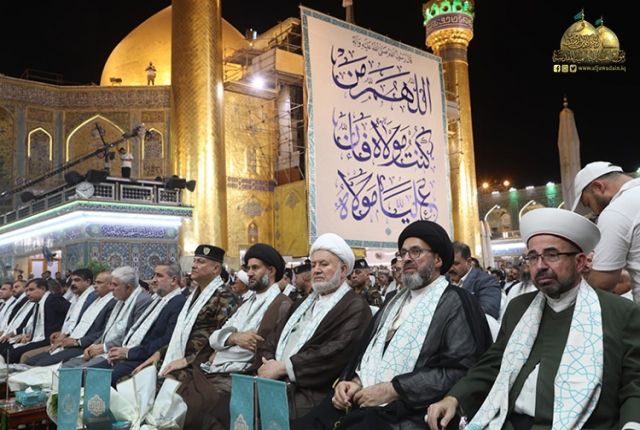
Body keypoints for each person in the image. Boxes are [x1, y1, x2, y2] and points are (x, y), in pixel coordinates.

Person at [427, 207, 640, 430]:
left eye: (552, 255)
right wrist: (454, 398)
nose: (540, 266)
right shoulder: (519, 308)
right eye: (533, 257)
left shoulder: (620, 313)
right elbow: (494, 364)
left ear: (579, 262)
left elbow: (635, 383)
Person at [294, 221, 492, 430]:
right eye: (403, 253)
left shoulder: (456, 301)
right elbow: (370, 354)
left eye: (416, 251)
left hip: (411, 409)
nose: (406, 258)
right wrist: (353, 382)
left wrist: (393, 390)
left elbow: (460, 371)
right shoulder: (393, 302)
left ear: (438, 260)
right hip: (365, 397)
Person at [230, 233, 373, 423]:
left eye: (324, 264)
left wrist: (285, 368)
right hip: (274, 379)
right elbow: (271, 338)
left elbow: (335, 352)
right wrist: (269, 363)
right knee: (230, 405)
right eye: (313, 265)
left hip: (311, 389)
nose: (317, 270)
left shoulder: (355, 306)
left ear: (343, 270)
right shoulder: (300, 304)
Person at [179, 243, 292, 428]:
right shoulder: (246, 303)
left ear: (271, 271)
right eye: (248, 268)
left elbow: (253, 349)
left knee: (198, 407)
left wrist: (222, 349)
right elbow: (214, 338)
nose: (249, 273)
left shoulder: (281, 305)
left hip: (241, 375)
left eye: (255, 268)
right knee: (177, 392)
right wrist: (234, 338)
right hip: (217, 371)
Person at [133, 244, 240, 383]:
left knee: (155, 386)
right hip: (177, 359)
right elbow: (180, 335)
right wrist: (159, 354)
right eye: (194, 261)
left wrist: (188, 360)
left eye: (200, 262)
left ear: (215, 268)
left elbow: (223, 341)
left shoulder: (226, 298)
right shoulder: (193, 297)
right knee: (132, 380)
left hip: (198, 365)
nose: (193, 265)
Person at [105, 261, 186, 386]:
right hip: (133, 353)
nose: (153, 280)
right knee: (88, 372)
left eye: (159, 276)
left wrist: (129, 353)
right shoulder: (158, 300)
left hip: (146, 358)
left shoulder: (178, 303)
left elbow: (166, 340)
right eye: (154, 275)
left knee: (102, 379)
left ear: (174, 280)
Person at [571, 161, 640, 303]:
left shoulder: (616, 210)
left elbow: (602, 283)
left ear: (599, 187)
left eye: (589, 204)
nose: (595, 213)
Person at [62, 266, 152, 369]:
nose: (111, 288)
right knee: (63, 368)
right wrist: (93, 346)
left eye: (114, 285)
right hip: (102, 348)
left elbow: (132, 337)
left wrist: (104, 347)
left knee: (73, 373)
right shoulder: (120, 299)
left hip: (116, 354)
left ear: (128, 288)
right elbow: (107, 331)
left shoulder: (142, 301)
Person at [25, 271, 115, 366]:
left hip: (85, 345)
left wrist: (76, 341)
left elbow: (103, 332)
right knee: (31, 361)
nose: (95, 286)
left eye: (99, 283)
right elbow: (77, 322)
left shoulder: (101, 300)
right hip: (71, 341)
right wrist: (63, 334)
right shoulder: (94, 300)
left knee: (40, 364)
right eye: (95, 283)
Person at [3, 278, 70, 363]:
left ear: (43, 289)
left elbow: (72, 313)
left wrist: (62, 332)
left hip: (48, 340)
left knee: (12, 353)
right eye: (26, 291)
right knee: (7, 350)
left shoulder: (53, 299)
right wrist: (31, 333)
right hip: (37, 338)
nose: (28, 293)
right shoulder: (38, 303)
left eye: (31, 290)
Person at [448, 241, 502, 320]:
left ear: (469, 262)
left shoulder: (486, 281)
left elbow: (488, 312)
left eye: (455, 264)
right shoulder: (443, 280)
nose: (450, 268)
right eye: (448, 263)